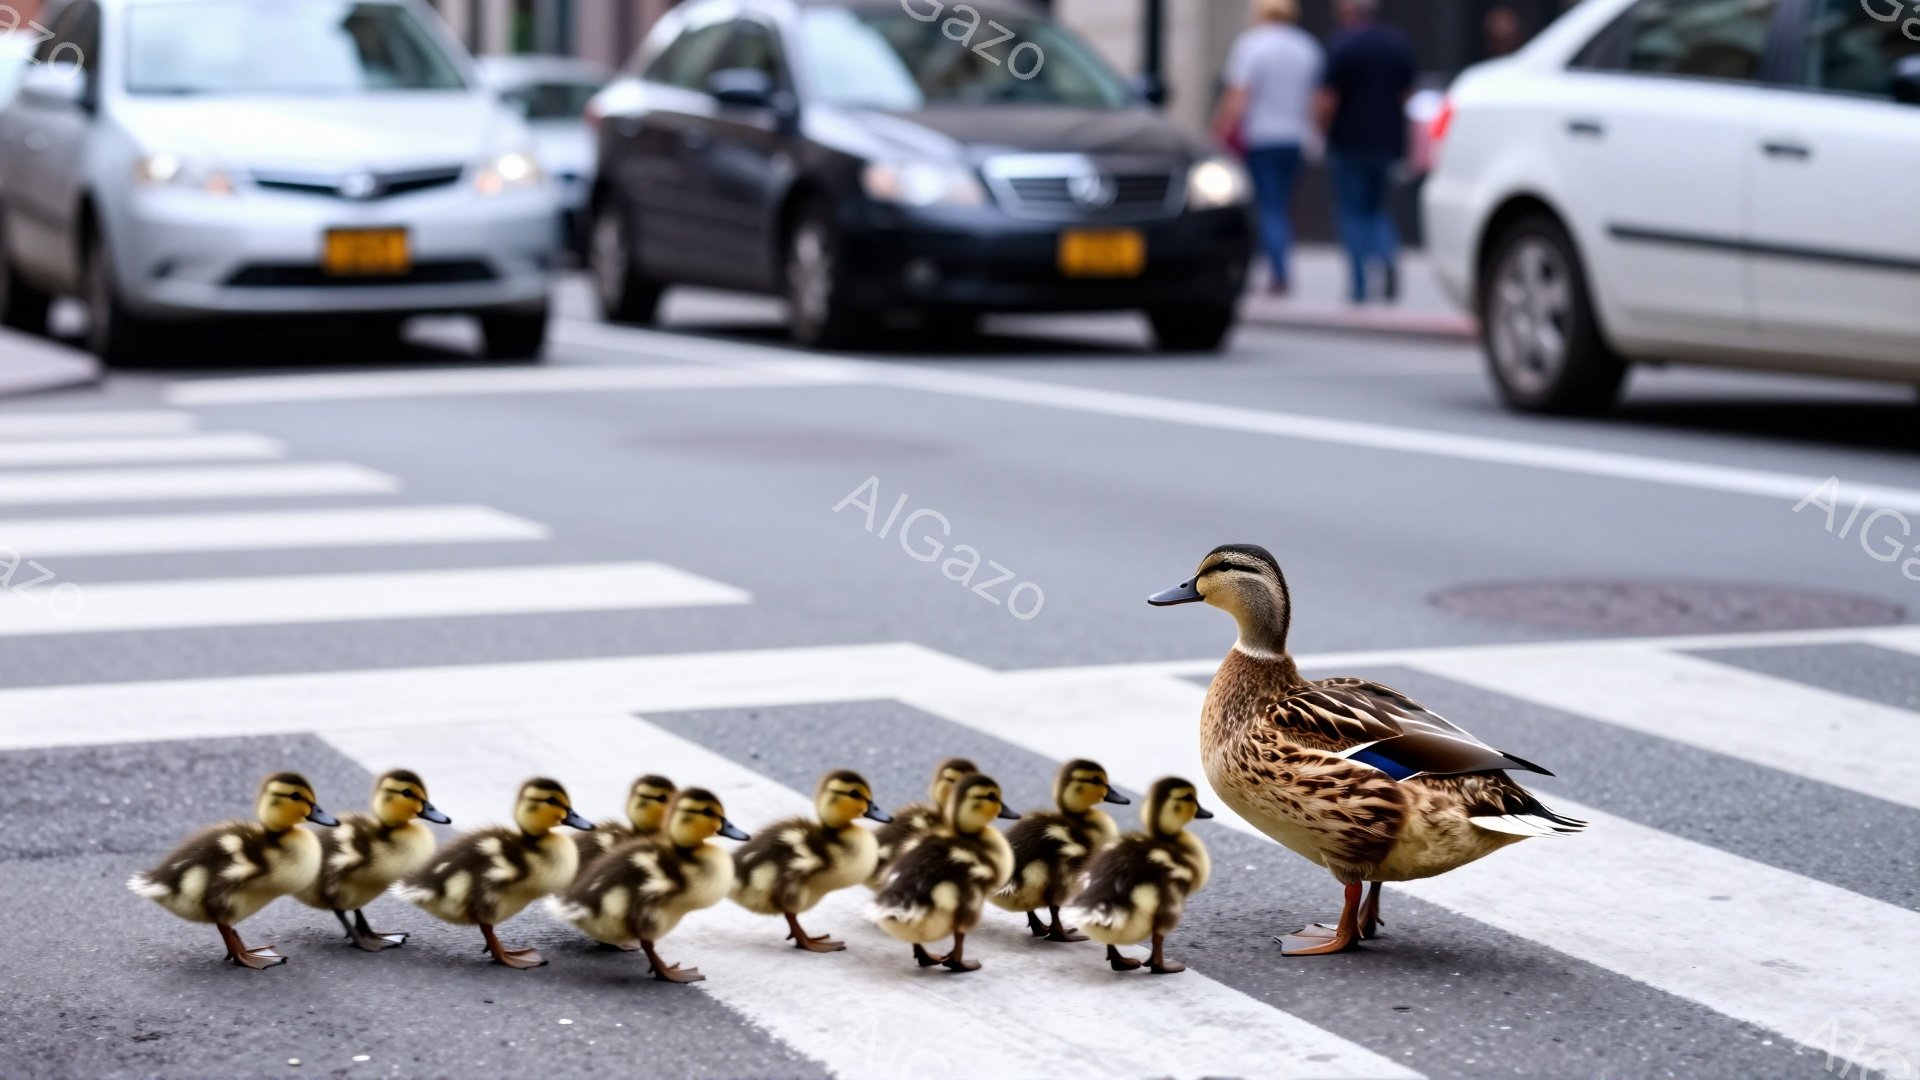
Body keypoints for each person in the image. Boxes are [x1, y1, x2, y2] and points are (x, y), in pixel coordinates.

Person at [1212, 0, 1322, 296]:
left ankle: (1279, 272)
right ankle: (1276, 266)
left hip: (1261, 137)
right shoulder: (1307, 47)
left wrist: (1220, 130)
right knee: (1281, 204)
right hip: (1296, 137)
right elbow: (1317, 98)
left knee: (1268, 207)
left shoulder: (1252, 45)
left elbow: (1238, 94)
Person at [1316, 0, 1416, 304]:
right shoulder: (1397, 44)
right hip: (1386, 142)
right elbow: (1407, 95)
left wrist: (1320, 132)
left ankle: (1359, 283)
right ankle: (1387, 258)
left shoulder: (1343, 45)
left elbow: (1327, 99)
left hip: (1348, 141)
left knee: (1352, 211)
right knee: (1377, 208)